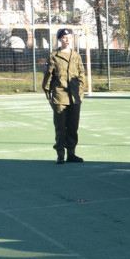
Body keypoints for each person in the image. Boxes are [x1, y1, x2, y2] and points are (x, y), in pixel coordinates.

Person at [42, 28, 86, 164]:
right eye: (64, 37)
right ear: (60, 39)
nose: (67, 40)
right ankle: (60, 154)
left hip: (74, 97)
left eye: (69, 37)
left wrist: (81, 93)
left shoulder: (76, 56)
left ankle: (71, 154)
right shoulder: (54, 56)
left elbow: (81, 75)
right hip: (59, 96)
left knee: (73, 127)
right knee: (60, 127)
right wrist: (48, 95)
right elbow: (48, 76)